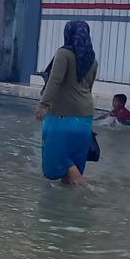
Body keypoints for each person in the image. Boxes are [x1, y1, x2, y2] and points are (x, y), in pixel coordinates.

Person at [36, 20, 99, 187]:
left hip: (62, 116)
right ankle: (70, 207)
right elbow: (89, 88)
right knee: (70, 168)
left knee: (57, 158)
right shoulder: (92, 60)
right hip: (85, 118)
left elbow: (55, 81)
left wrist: (43, 104)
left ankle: (87, 190)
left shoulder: (64, 54)